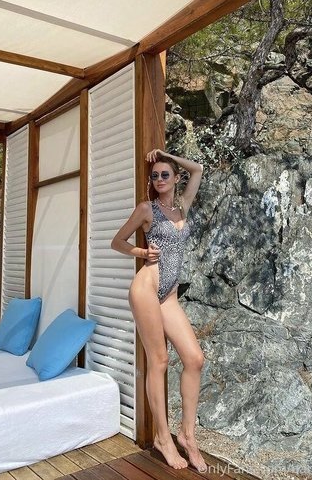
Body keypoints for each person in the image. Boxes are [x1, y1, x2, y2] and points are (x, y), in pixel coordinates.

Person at [111, 148, 207, 472]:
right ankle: (163, 438)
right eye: (155, 176)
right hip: (147, 289)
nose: (160, 179)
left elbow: (198, 169)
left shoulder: (182, 207)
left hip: (169, 296)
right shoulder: (146, 209)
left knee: (195, 359)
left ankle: (187, 435)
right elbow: (117, 241)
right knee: (160, 360)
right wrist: (141, 252)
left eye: (165, 174)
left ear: (176, 178)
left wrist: (166, 155)